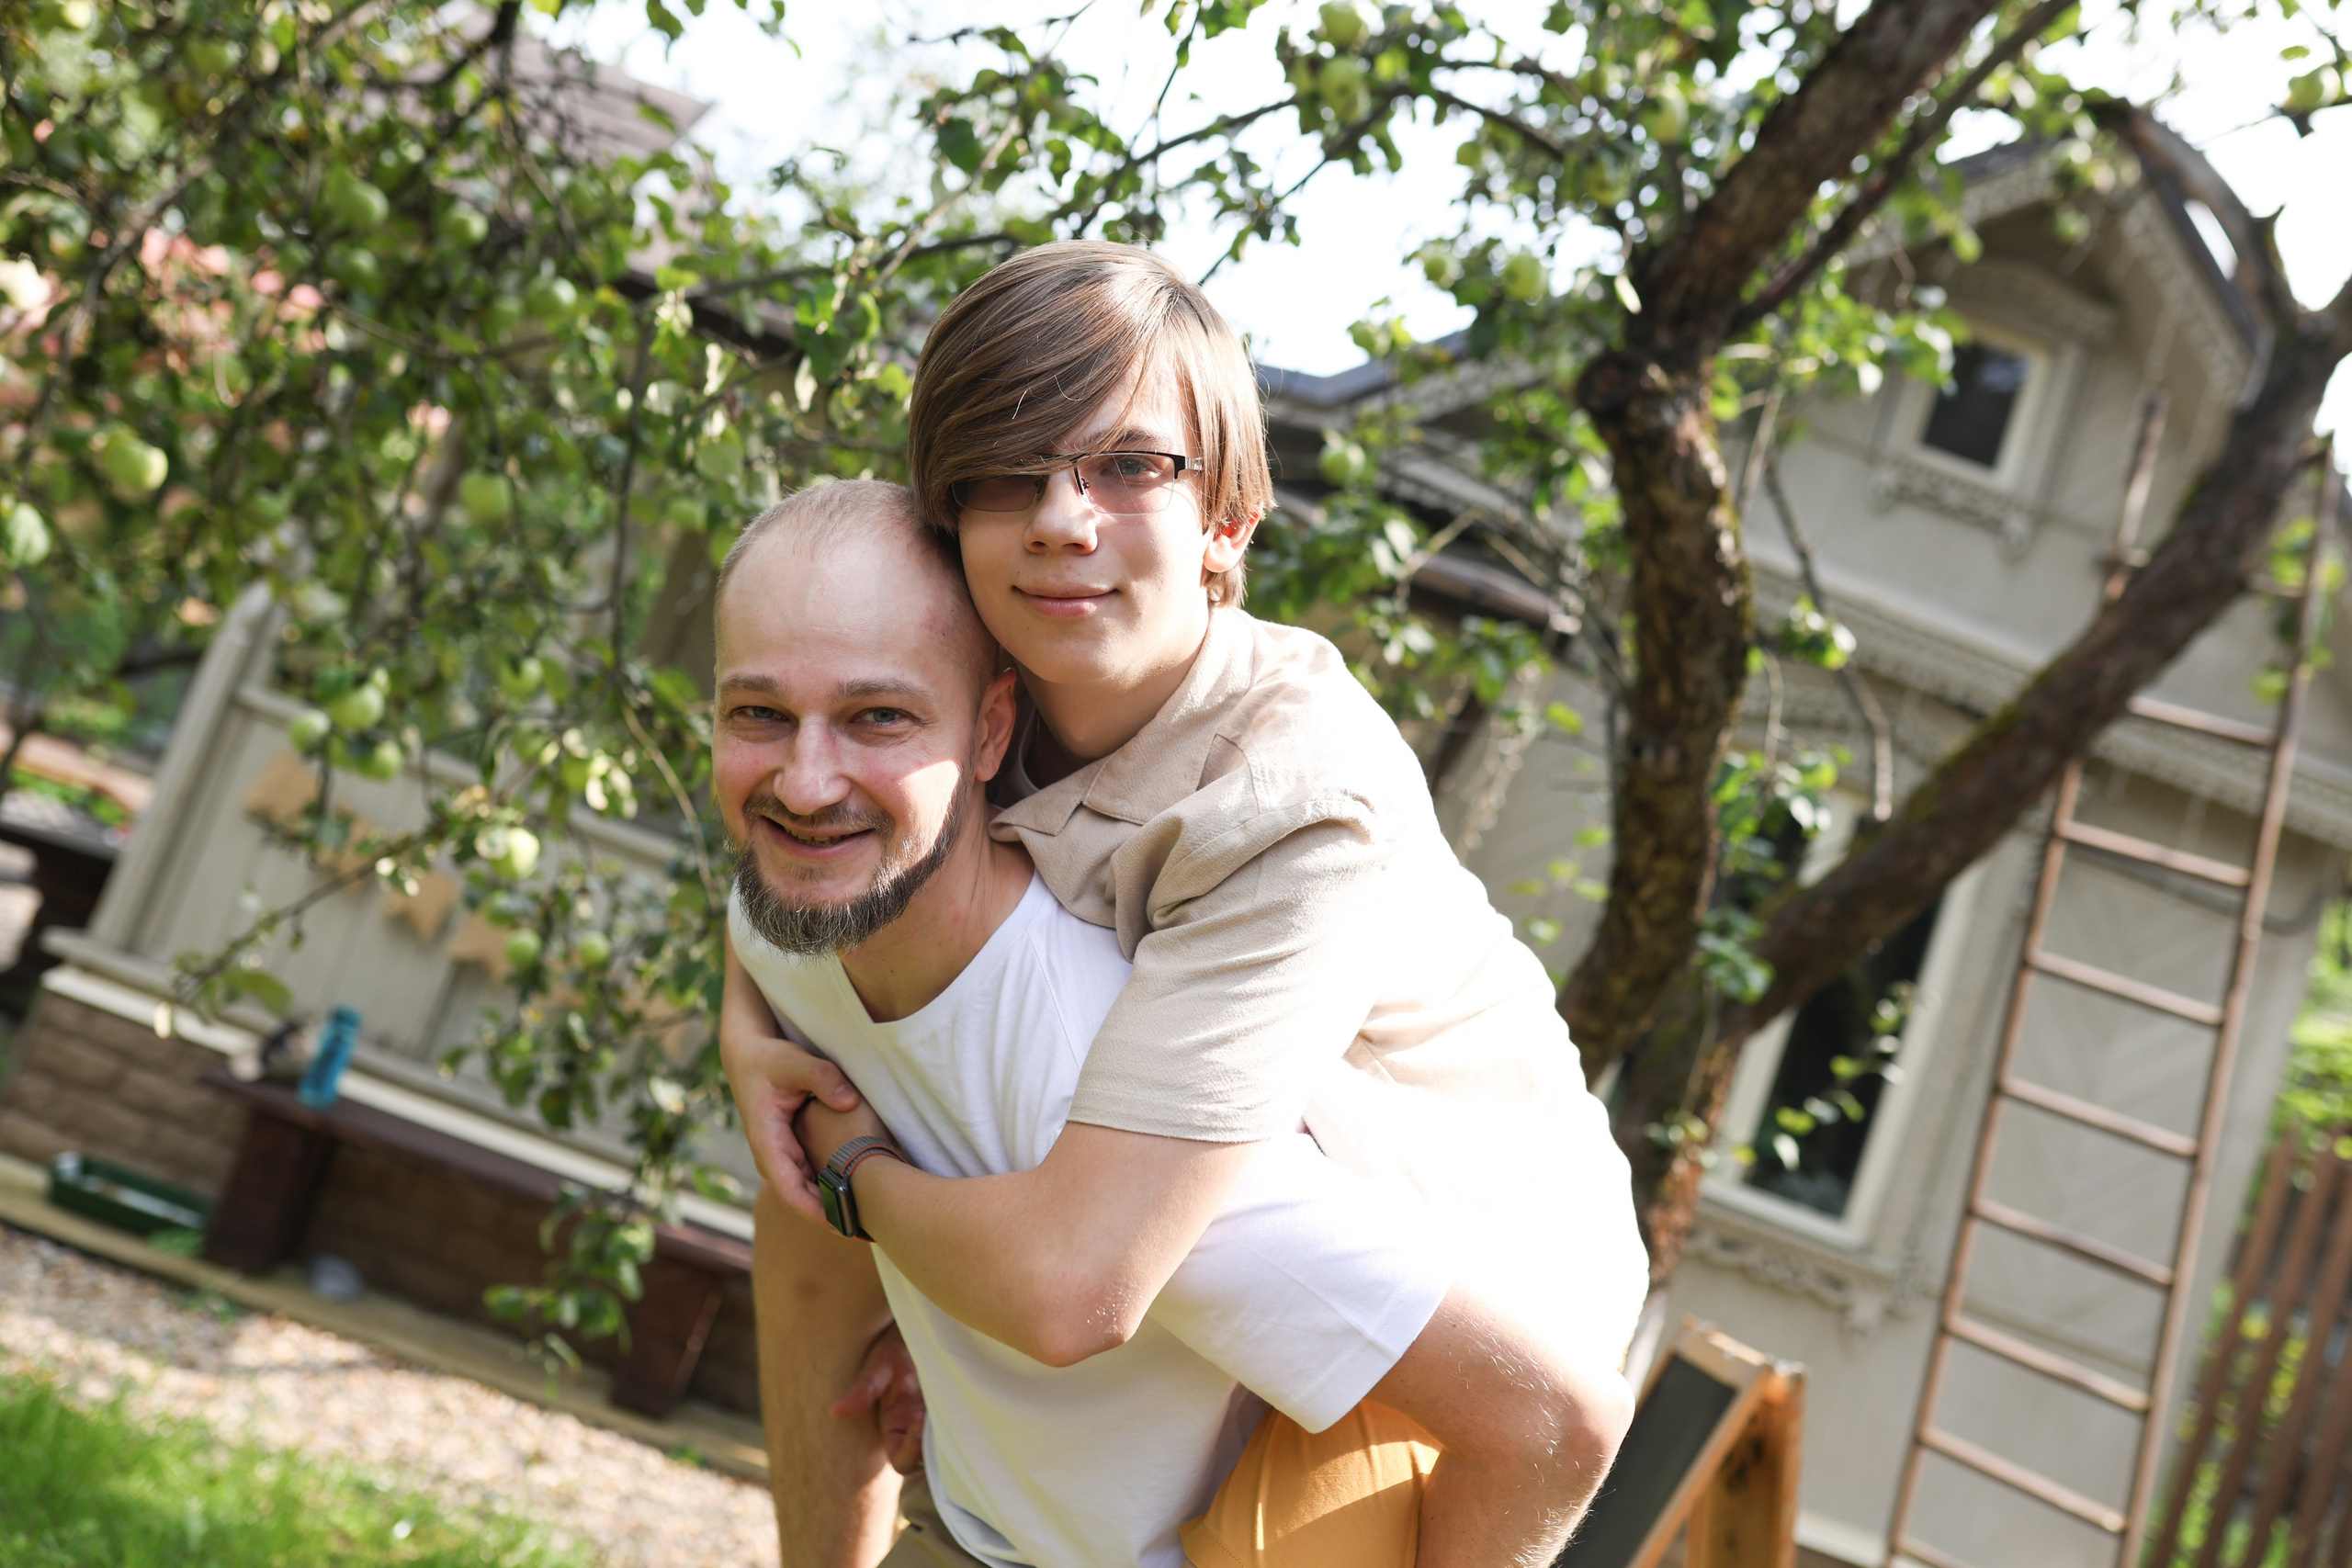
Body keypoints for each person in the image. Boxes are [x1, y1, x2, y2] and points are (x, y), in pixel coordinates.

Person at [725, 241, 1649, 1566]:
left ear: (1228, 519)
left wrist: (855, 1176)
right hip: (1189, 1229)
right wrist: (748, 1018)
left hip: (1476, 1308)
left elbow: (1078, 1283)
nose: (1062, 518)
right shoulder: (975, 682)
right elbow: (809, 836)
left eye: (1129, 466)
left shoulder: (1293, 800)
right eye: (1008, 473)